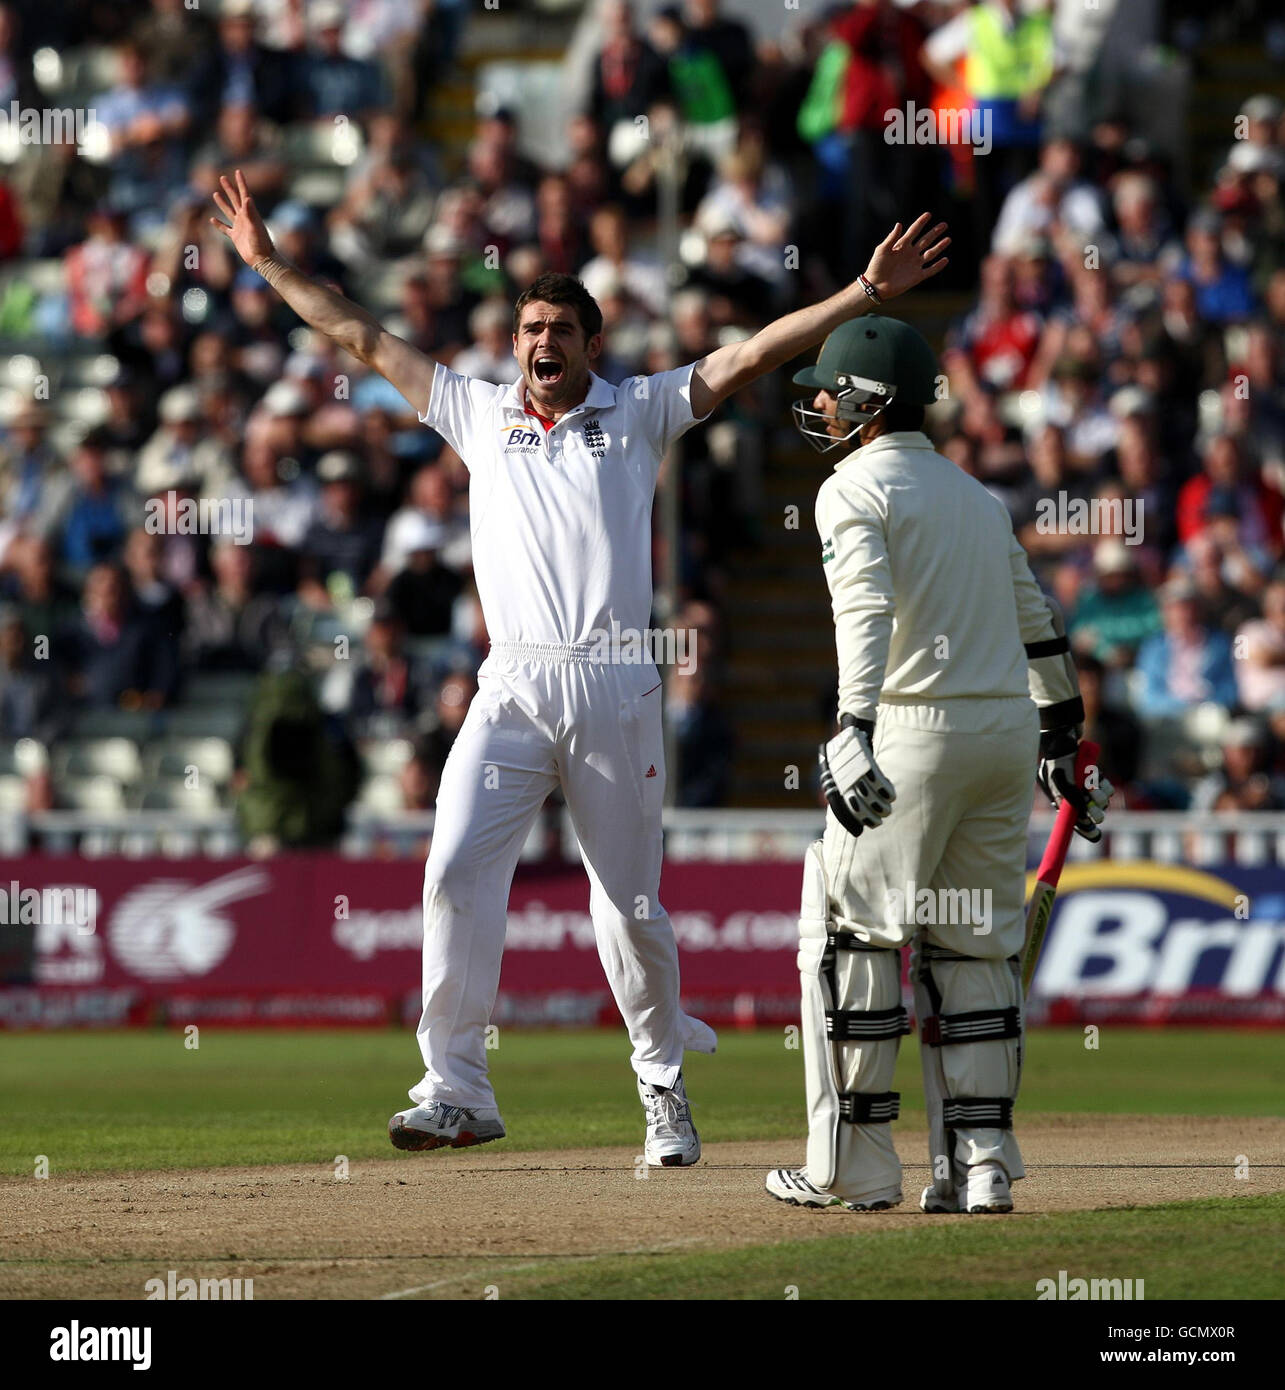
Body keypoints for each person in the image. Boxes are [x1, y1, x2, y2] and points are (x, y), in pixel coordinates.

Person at [210, 165, 949, 1164]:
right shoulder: (476, 412)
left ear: (589, 345)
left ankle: (662, 1093)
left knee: (627, 905)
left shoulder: (638, 409)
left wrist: (861, 295)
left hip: (612, 681)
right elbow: (357, 334)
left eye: (559, 330)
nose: (541, 344)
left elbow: (753, 355)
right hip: (511, 679)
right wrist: (265, 264)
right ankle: (457, 1087)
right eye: (528, 330)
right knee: (452, 868)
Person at [766, 314, 1111, 1215]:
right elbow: (1036, 618)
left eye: (834, 391)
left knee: (853, 936)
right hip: (1001, 738)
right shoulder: (972, 494)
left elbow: (866, 611)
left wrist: (853, 723)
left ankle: (852, 1166)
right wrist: (1060, 738)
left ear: (872, 403)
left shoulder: (851, 490)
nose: (823, 405)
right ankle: (979, 1166)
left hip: (910, 734)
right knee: (973, 951)